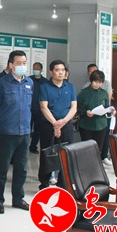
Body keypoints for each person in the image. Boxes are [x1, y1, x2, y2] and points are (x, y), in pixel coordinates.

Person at [0, 50, 33, 214]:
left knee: (21, 169)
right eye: (19, 63)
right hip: (6, 132)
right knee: (2, 169)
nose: (22, 66)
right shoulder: (2, 84)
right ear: (11, 65)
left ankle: (18, 199)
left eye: (24, 63)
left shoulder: (29, 82)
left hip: (25, 133)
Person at [38, 60, 77, 190]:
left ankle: (63, 183)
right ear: (51, 72)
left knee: (66, 153)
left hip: (66, 124)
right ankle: (44, 183)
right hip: (48, 125)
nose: (61, 72)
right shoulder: (44, 87)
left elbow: (74, 107)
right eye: (57, 70)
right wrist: (55, 123)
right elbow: (43, 107)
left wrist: (63, 122)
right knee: (47, 153)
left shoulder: (70, 87)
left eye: (63, 70)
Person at [77, 70, 116, 160]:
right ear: (91, 81)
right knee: (86, 148)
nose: (97, 84)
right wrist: (85, 112)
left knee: (98, 149)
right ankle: (86, 165)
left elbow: (107, 107)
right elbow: (76, 108)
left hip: (101, 125)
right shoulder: (83, 93)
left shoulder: (104, 93)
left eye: (100, 82)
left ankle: (97, 165)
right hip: (86, 125)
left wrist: (111, 111)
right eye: (95, 82)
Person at [29, 62, 48, 154]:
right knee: (27, 129)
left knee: (38, 130)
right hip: (29, 109)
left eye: (37, 68)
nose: (35, 70)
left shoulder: (45, 82)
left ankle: (33, 147)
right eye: (34, 68)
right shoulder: (28, 80)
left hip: (40, 110)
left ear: (41, 70)